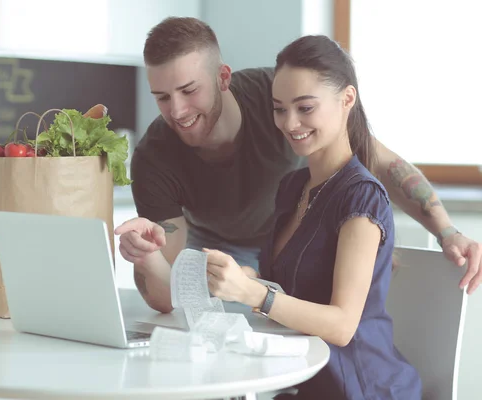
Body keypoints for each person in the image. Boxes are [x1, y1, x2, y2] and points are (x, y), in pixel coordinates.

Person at [114, 17, 482, 314]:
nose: (176, 111)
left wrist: (447, 232)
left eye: (189, 90)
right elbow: (169, 290)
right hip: (218, 246)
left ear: (223, 78)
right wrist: (145, 258)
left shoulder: (278, 98)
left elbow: (385, 163)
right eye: (162, 97)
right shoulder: (154, 157)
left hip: (292, 237)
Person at [203, 34, 421, 400]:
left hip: (360, 388)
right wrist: (243, 277)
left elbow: (342, 326)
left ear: (346, 99)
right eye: (279, 108)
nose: (289, 123)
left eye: (305, 107)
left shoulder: (362, 197)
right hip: (304, 382)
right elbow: (283, 286)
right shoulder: (292, 186)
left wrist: (252, 292)